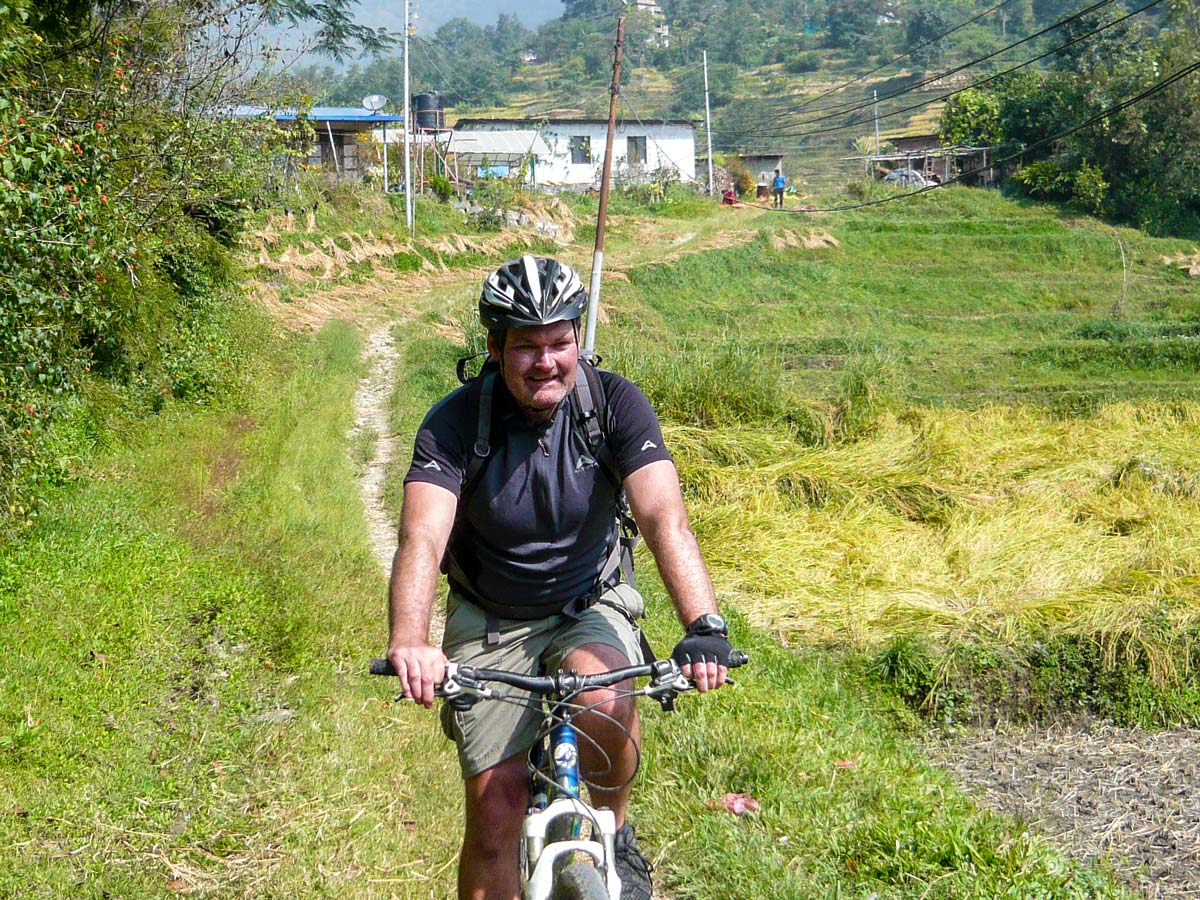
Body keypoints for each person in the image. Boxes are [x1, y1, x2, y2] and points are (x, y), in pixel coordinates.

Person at [387, 255, 733, 900]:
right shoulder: (455, 422)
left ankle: (616, 832)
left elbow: (664, 518)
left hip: (587, 601)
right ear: (494, 348)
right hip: (493, 617)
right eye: (526, 346)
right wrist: (411, 638)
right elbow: (422, 535)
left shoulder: (615, 404)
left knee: (604, 698)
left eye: (559, 342)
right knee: (494, 816)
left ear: (579, 338)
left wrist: (703, 624)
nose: (545, 361)